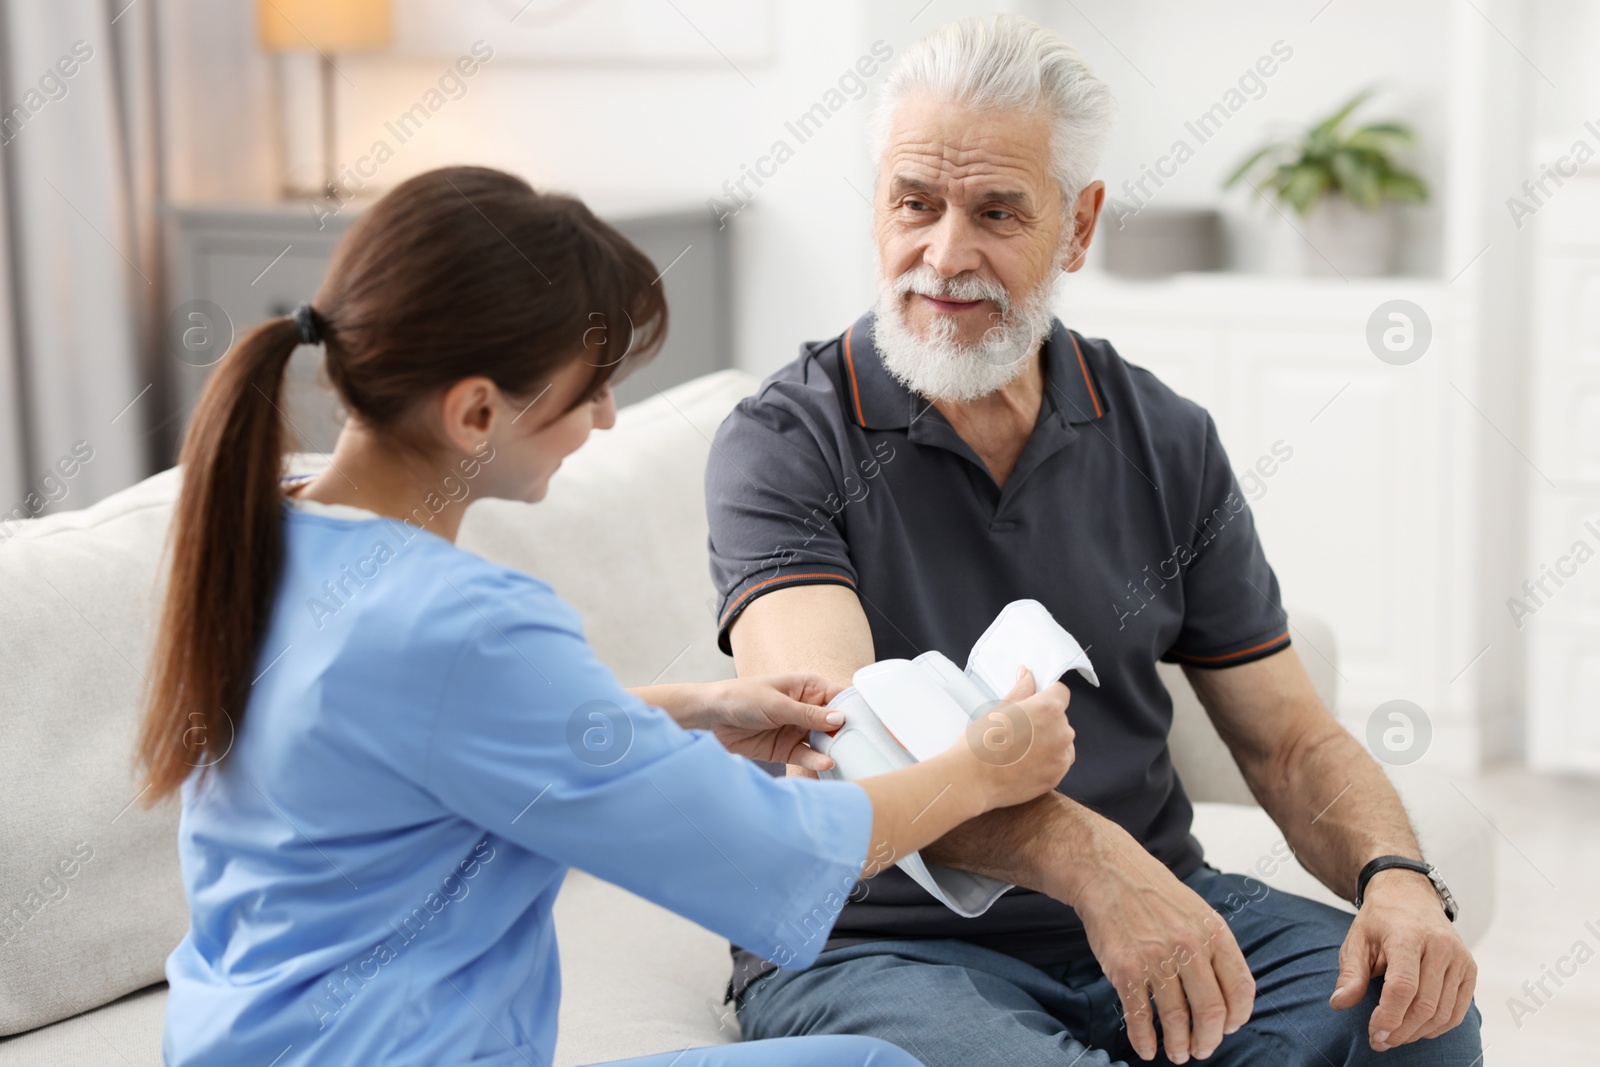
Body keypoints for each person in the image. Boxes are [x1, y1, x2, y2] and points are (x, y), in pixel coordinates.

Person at [134, 165, 1076, 1067]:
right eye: (591, 389)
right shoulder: (461, 621)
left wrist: (695, 707)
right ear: (473, 414)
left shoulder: (271, 531)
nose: (611, 418)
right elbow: (763, 850)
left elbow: (419, 733)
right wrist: (987, 765)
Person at [704, 15, 1481, 1067]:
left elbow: (1288, 739)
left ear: (1077, 227)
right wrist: (1088, 858)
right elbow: (850, 746)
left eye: (995, 212)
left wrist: (1396, 875)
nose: (944, 254)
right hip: (871, 944)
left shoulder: (1163, 435)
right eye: (913, 204)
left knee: (1405, 1019)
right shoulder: (784, 439)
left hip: (1153, 906)